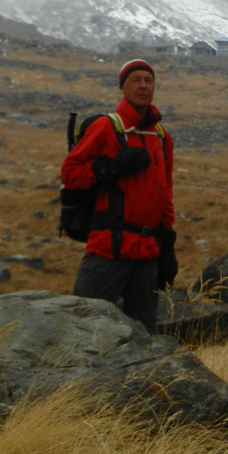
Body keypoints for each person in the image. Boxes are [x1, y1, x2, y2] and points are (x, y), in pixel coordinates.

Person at [61, 58, 176, 333]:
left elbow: (166, 194)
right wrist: (113, 166)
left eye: (149, 81)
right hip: (108, 251)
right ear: (123, 88)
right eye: (135, 80)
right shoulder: (106, 127)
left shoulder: (162, 137)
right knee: (85, 330)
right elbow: (70, 173)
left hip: (147, 253)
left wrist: (167, 245)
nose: (143, 86)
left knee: (146, 337)